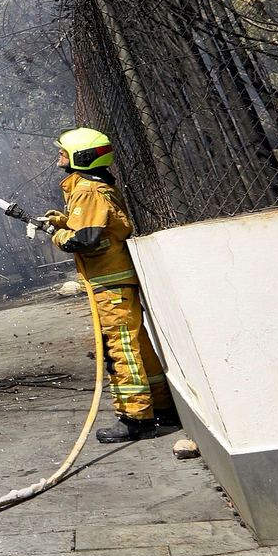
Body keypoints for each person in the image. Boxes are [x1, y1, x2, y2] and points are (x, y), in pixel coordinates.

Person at [42, 128, 177, 444]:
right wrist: (65, 220)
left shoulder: (87, 190)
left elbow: (84, 240)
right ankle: (162, 408)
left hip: (110, 284)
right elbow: (102, 226)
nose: (58, 156)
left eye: (63, 152)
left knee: (120, 350)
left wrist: (59, 235)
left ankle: (136, 419)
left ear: (82, 157)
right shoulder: (92, 188)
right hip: (115, 281)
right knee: (138, 346)